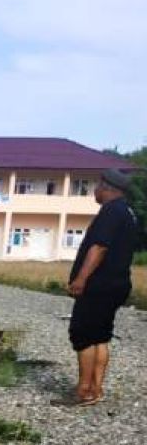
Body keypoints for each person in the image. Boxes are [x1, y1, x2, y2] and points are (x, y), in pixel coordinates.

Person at [56, 168, 140, 406]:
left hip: (99, 285)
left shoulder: (111, 211)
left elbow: (99, 247)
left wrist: (81, 279)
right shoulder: (128, 212)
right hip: (117, 283)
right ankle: (95, 389)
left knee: (83, 334)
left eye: (97, 186)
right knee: (101, 335)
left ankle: (83, 391)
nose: (94, 190)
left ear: (106, 188)